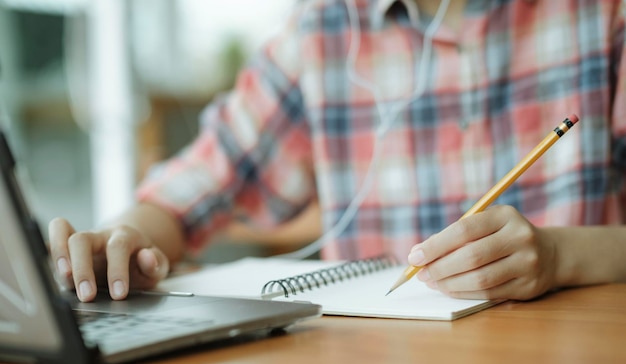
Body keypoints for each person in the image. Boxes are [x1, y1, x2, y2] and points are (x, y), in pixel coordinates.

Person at [49, 0, 626, 303]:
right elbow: (191, 189)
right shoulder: (320, 33)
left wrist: (558, 258)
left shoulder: (603, 14)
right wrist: (122, 239)